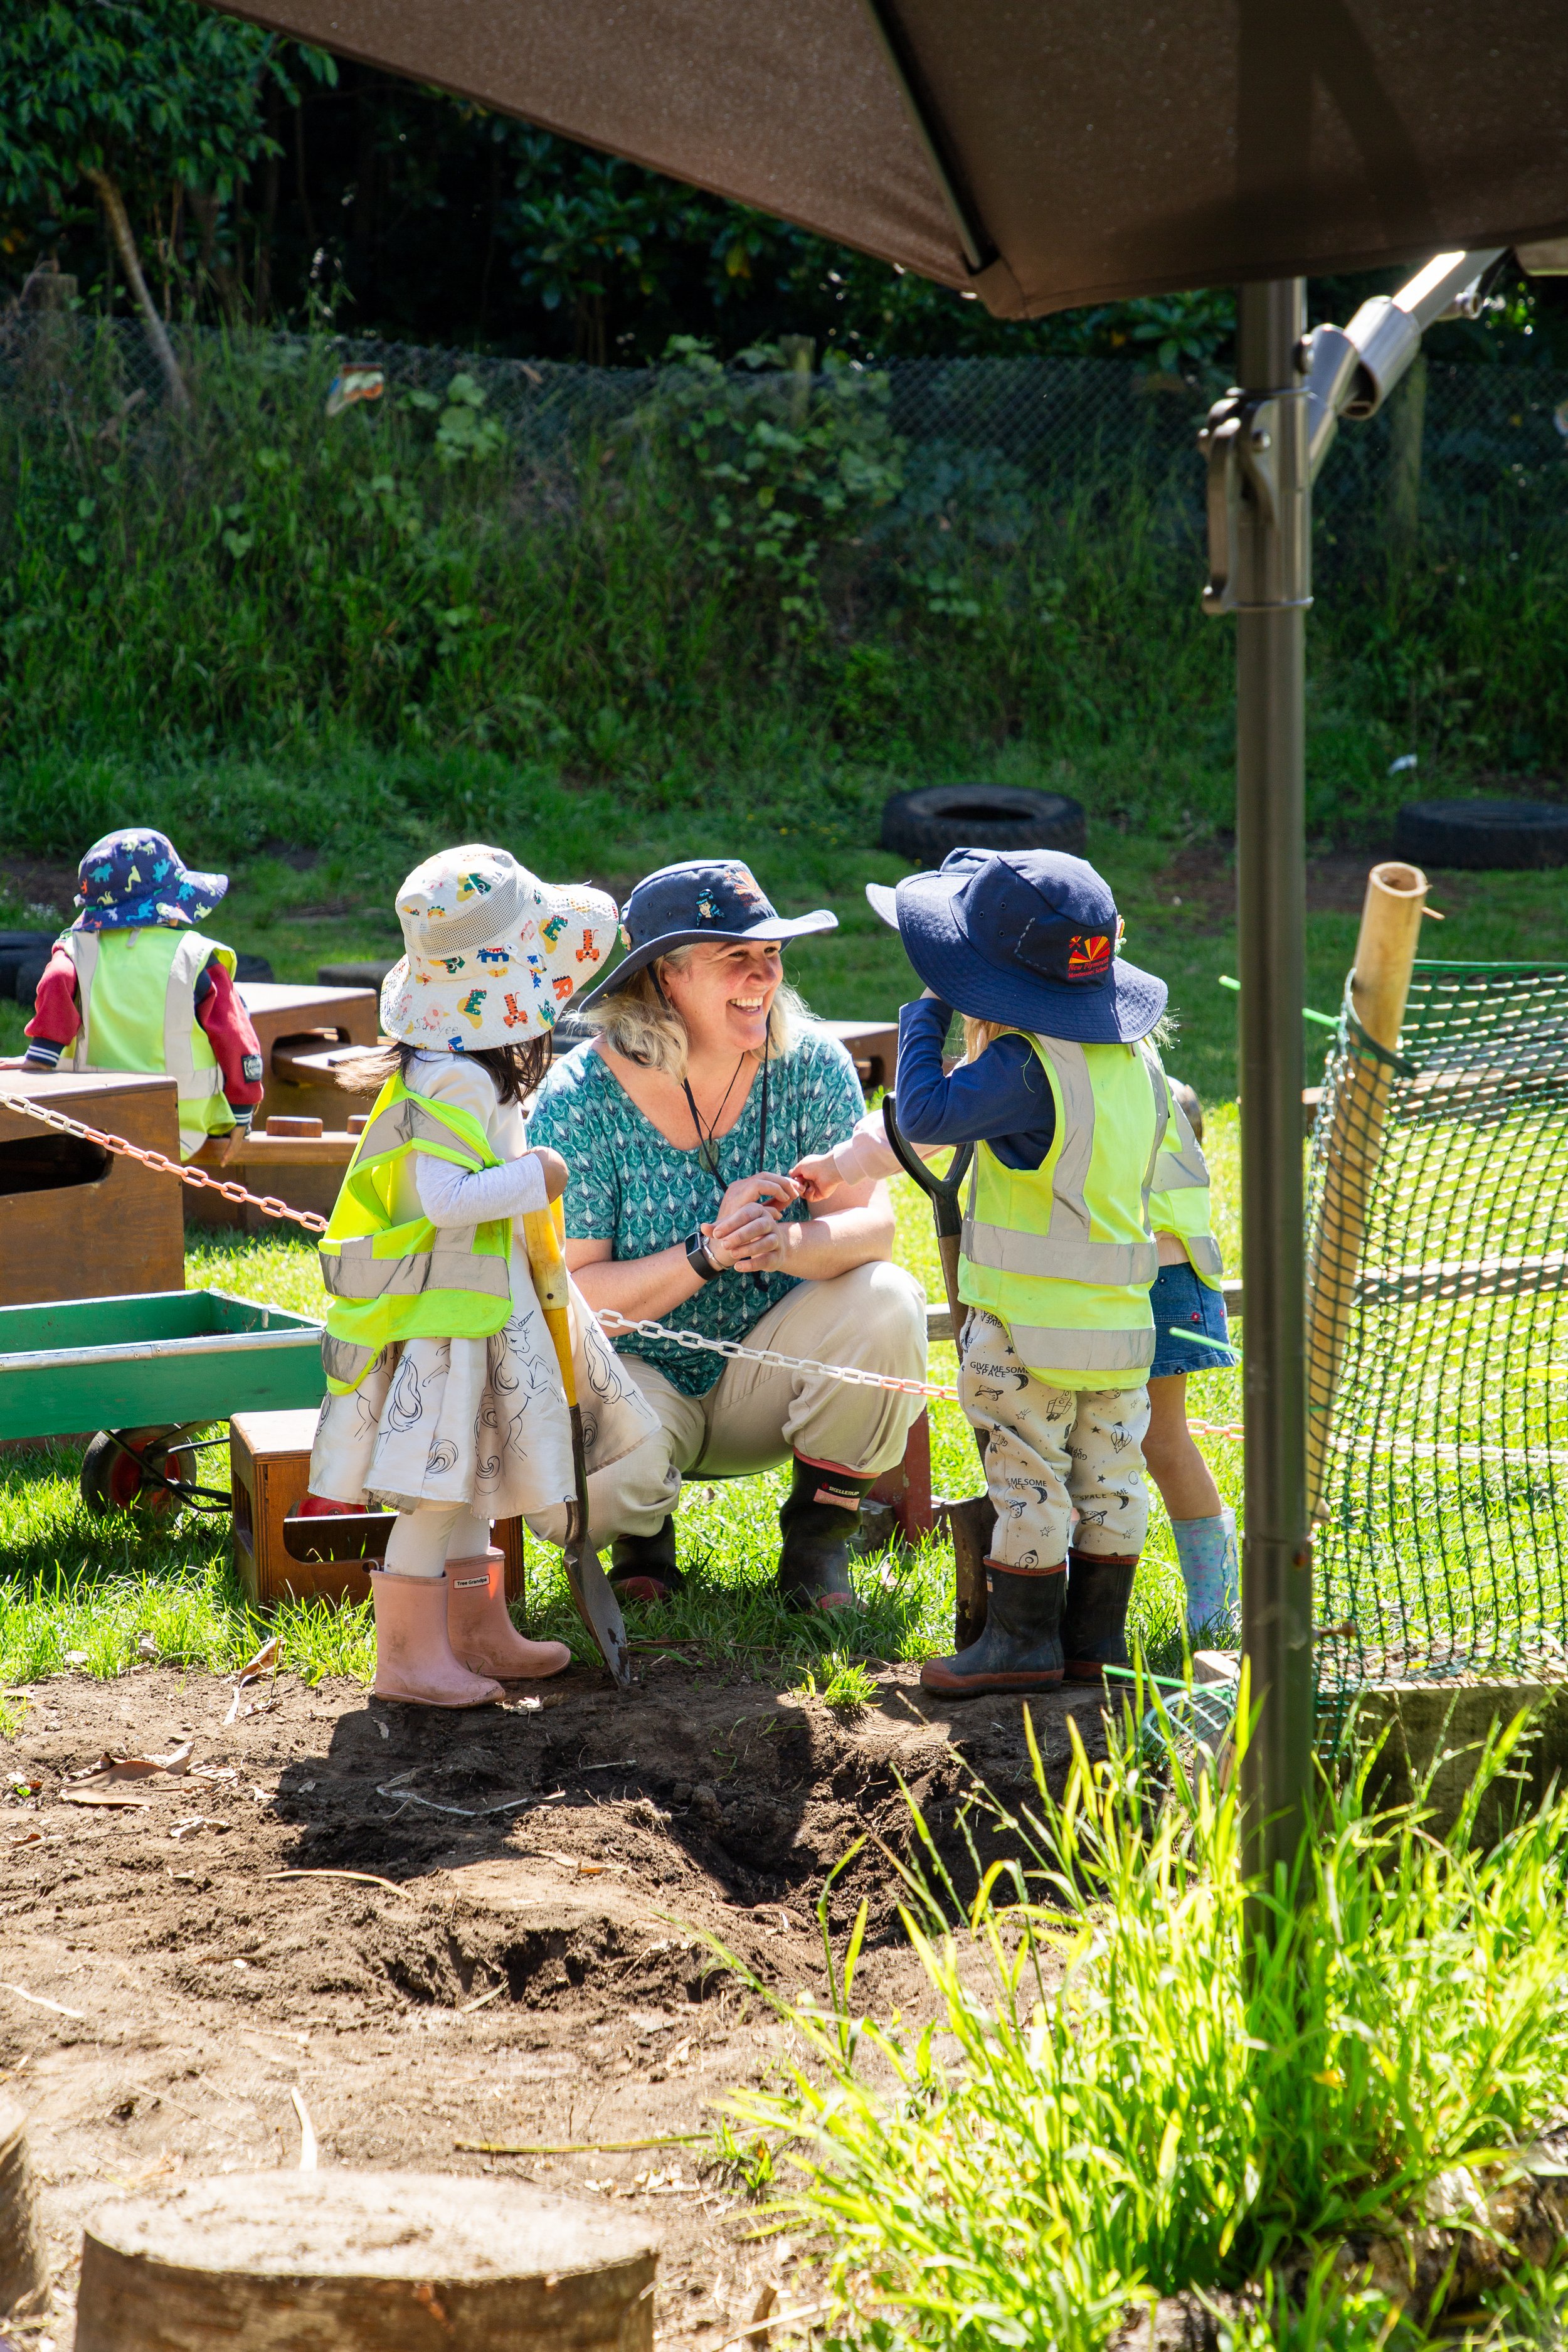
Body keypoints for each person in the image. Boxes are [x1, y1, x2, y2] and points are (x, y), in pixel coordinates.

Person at [305, 844, 659, 1709]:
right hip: (446, 1321)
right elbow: (445, 1197)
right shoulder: (456, 1073)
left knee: (474, 1472)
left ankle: (474, 1630)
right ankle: (407, 1657)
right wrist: (537, 1176)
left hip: (484, 1305)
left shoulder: (468, 1063)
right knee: (436, 1485)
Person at [524, 859, 928, 1613]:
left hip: (767, 1377)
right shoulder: (580, 1097)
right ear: (663, 978)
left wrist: (780, 1247)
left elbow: (873, 1227)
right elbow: (574, 1297)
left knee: (888, 1301)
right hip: (633, 1376)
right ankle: (642, 1541)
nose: (761, 976)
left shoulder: (812, 1064)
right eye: (733, 957)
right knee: (577, 1504)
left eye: (771, 954)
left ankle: (818, 1538)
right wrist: (709, 1253)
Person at [820, 847, 1171, 1697]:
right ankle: (1095, 1643)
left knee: (1029, 1474)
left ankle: (1021, 1644)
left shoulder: (1024, 1067)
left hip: (1027, 1330)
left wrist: (923, 1017)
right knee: (1111, 1478)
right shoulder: (1137, 1063)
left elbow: (929, 1112)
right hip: (1122, 1326)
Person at [798, 1066, 1239, 1641]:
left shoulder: (1037, 1065)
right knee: (1086, 1441)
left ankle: (1213, 1600)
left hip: (1154, 1267)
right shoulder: (1074, 1053)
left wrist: (836, 1167)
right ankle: (1082, 1614)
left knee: (1152, 1438)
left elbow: (919, 1123)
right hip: (1104, 1270)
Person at [19, 828, 263, 1158]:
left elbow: (57, 979)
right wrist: (242, 1111)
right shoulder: (196, 958)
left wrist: (43, 1053)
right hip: (180, 1127)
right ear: (172, 907)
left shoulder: (76, 950)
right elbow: (235, 1035)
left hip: (86, 1125)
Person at [1142, 1079, 1240, 1633]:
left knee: (1161, 1438)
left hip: (1164, 1275)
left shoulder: (1146, 1093)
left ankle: (1216, 1602)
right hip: (1125, 1273)